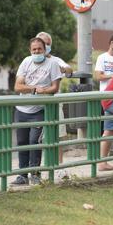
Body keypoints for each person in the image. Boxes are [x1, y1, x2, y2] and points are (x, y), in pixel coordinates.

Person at [12, 37, 62, 185]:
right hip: (22, 109)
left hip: (39, 110)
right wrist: (33, 88)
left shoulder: (52, 64)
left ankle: (35, 173)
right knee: (22, 142)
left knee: (35, 141)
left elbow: (55, 87)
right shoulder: (26, 62)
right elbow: (18, 86)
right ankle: (22, 175)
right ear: (30, 50)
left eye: (39, 49)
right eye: (34, 50)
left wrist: (44, 91)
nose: (36, 52)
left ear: (45, 50)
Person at [36, 31, 72, 179]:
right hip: (35, 104)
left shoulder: (56, 60)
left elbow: (69, 70)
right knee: (36, 137)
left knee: (57, 136)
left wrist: (64, 69)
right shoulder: (29, 61)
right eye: (42, 43)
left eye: (48, 44)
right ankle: (35, 168)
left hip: (54, 102)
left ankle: (58, 167)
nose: (45, 46)